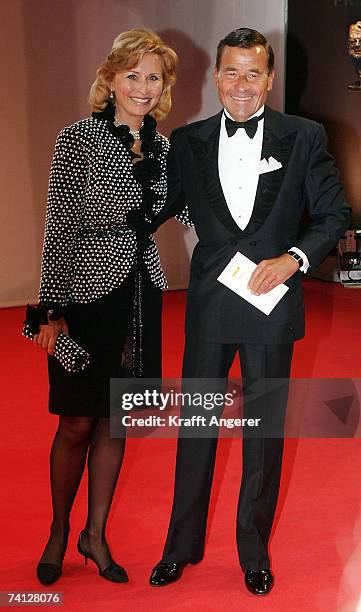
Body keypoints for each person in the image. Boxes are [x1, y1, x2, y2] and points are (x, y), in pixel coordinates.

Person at [145, 27, 350, 595]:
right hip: (211, 305)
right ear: (215, 75)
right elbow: (158, 208)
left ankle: (253, 550)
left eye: (253, 72)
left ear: (270, 77)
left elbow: (335, 213)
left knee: (262, 431)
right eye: (231, 71)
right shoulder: (186, 141)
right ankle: (179, 547)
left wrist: (295, 258)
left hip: (271, 301)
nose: (241, 84)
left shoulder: (303, 136)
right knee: (198, 428)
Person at [33, 28, 177, 586]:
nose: (143, 87)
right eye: (133, 74)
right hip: (86, 294)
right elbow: (59, 228)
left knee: (118, 419)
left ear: (164, 87)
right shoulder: (77, 139)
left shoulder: (165, 148)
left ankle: (96, 533)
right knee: (75, 420)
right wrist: (51, 308)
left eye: (154, 77)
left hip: (142, 295)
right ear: (111, 78)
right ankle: (58, 531)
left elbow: (185, 212)